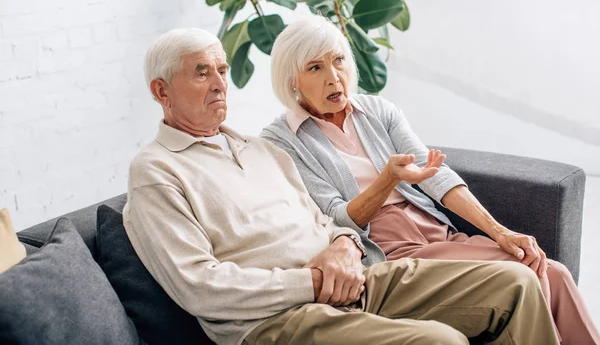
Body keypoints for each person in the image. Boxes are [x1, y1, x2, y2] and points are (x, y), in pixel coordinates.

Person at [123, 27, 560, 345]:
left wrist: (346, 245)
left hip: (356, 282)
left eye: (222, 70)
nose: (220, 84)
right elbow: (201, 287)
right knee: (439, 341)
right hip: (277, 320)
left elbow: (328, 221)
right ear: (161, 90)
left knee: (515, 284)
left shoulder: (260, 151)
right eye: (202, 74)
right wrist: (313, 282)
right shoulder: (157, 173)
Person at [261, 15, 599, 345]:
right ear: (292, 79)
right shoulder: (281, 141)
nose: (335, 78)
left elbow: (436, 176)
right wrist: (387, 180)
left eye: (339, 61)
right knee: (532, 276)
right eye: (315, 68)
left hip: (436, 230)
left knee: (555, 272)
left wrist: (500, 232)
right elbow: (336, 217)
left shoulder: (379, 111)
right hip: (384, 250)